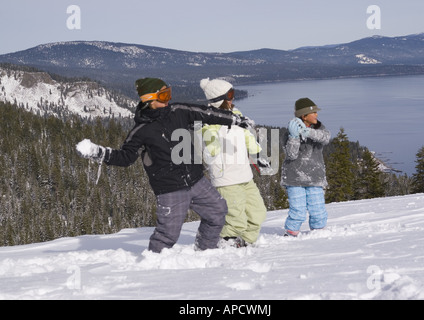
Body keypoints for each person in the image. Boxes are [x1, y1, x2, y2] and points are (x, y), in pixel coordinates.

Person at [76, 78, 254, 253]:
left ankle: (205, 251)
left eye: (168, 93)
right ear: (149, 101)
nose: (168, 99)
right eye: (163, 96)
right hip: (170, 189)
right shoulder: (141, 131)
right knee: (167, 235)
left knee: (217, 211)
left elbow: (207, 113)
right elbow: (125, 157)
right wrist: (98, 152)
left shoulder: (179, 111)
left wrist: (234, 120)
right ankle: (155, 266)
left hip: (196, 180)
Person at [200, 78, 268, 247]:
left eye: (233, 94)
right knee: (236, 216)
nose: (232, 99)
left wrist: (258, 154)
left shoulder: (236, 114)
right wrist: (221, 123)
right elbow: (210, 149)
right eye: (229, 95)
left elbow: (247, 137)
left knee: (258, 212)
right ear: (218, 99)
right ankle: (226, 241)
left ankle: (246, 240)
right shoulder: (208, 121)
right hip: (227, 178)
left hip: (245, 174)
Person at [281, 98, 331, 237]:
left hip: (315, 176)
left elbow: (325, 138)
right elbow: (291, 154)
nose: (316, 115)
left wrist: (308, 133)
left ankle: (318, 232)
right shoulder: (289, 132)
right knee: (297, 209)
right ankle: (291, 232)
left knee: (318, 209)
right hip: (294, 177)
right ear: (304, 115)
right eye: (313, 112)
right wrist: (294, 137)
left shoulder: (320, 129)